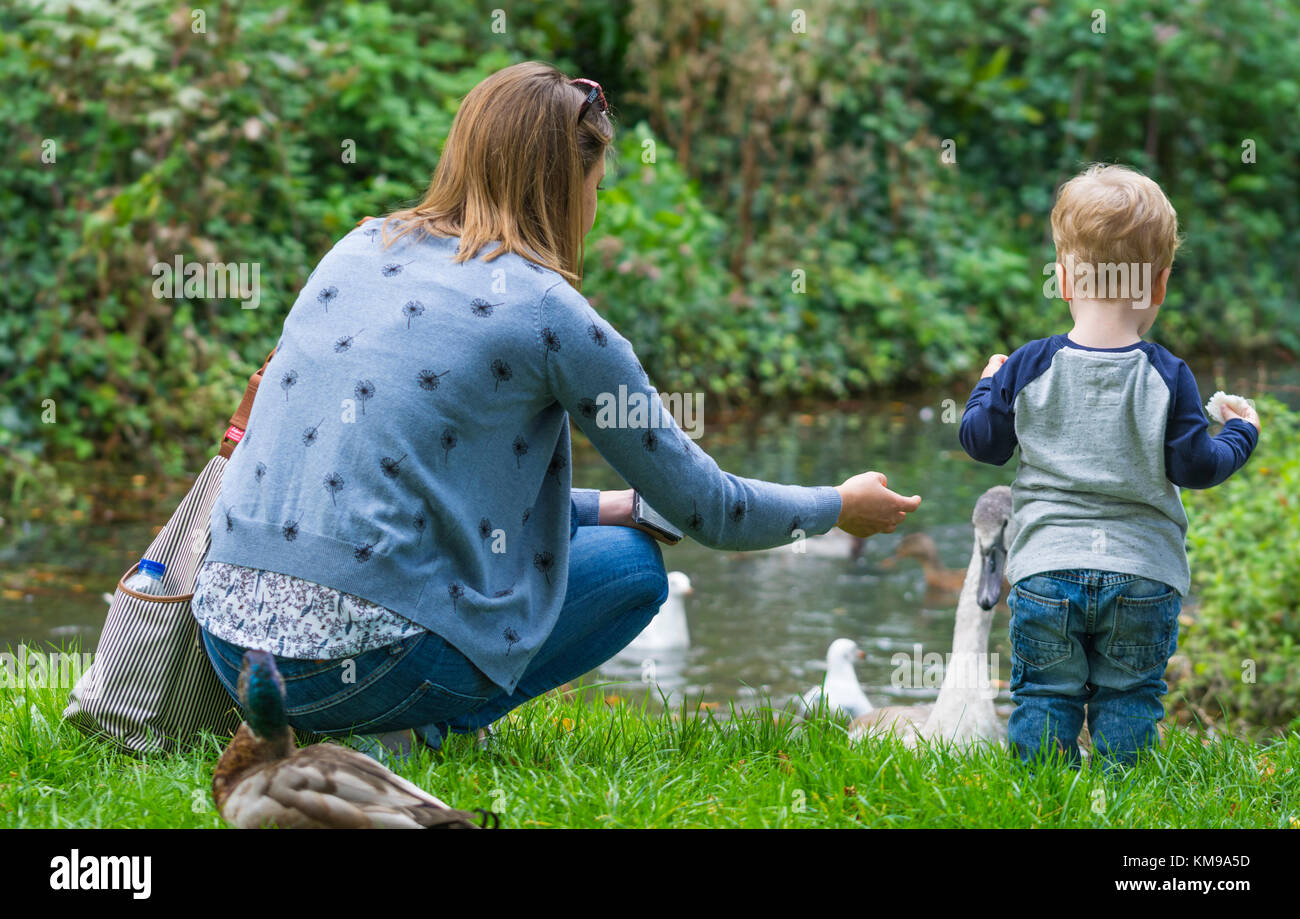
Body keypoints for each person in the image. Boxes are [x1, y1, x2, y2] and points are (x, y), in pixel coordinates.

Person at [192, 61, 922, 750]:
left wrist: (607, 503)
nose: (596, 208)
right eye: (597, 186)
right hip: (372, 667)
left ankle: (365, 716)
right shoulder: (550, 314)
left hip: (235, 650)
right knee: (635, 567)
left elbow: (411, 488)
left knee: (609, 531)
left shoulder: (354, 248)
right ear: (567, 187)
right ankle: (422, 727)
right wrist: (838, 504)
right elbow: (711, 508)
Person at [960, 163, 1260, 767]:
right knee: (1130, 698)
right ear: (1159, 286)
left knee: (1044, 696)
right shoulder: (1167, 374)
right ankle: (1128, 806)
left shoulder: (1027, 364)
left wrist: (986, 387)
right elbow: (1198, 467)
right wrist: (1243, 433)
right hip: (1143, 576)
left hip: (1046, 571)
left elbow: (983, 444)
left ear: (1064, 280)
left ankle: (1043, 804)